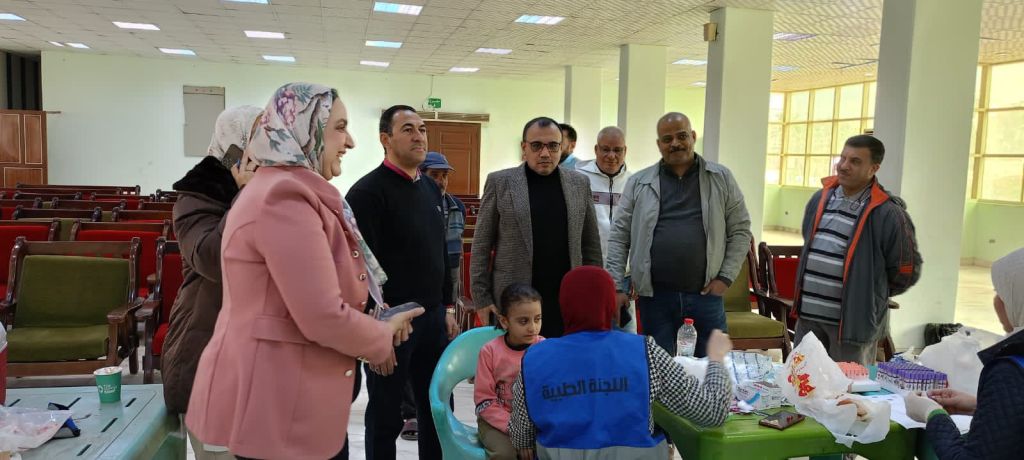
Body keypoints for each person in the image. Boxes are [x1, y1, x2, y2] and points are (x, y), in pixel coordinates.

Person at [185, 83, 422, 460]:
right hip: (277, 402)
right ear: (305, 131)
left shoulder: (295, 191)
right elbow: (320, 315)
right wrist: (380, 334)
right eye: (340, 128)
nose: (350, 142)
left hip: (291, 395)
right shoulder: (284, 197)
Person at [508, 266, 733, 459]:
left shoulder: (534, 358)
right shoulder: (645, 351)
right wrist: (716, 360)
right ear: (610, 305)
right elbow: (712, 412)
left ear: (562, 305)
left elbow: (520, 437)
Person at [347, 105, 459, 460]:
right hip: (392, 324)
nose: (418, 136)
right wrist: (376, 330)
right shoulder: (367, 193)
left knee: (436, 409)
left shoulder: (430, 189)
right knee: (385, 414)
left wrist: (448, 307)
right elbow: (360, 268)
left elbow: (440, 251)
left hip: (433, 317)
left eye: (422, 129)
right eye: (408, 129)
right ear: (386, 139)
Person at [605, 112, 751, 357]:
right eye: (667, 139)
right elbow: (620, 235)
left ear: (693, 136)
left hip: (706, 296)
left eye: (682, 136)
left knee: (713, 366)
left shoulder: (720, 178)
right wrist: (617, 286)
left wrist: (725, 278)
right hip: (655, 298)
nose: (675, 143)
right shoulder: (639, 182)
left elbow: (740, 230)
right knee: (658, 369)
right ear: (659, 144)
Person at [161, 105, 261, 459]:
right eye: (258, 135)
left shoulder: (269, 193)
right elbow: (213, 259)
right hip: (207, 351)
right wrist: (246, 197)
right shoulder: (196, 196)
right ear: (235, 144)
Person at [791, 134, 922, 365]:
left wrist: (870, 293)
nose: (843, 166)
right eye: (842, 158)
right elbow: (809, 242)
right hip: (809, 320)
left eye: (855, 161)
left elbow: (906, 270)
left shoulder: (887, 213)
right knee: (802, 381)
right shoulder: (820, 199)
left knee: (849, 385)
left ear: (874, 168)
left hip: (852, 325)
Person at [470, 116, 603, 338]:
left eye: (553, 146)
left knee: (562, 357)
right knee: (516, 359)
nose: (545, 153)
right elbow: (481, 245)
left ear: (562, 147)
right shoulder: (500, 182)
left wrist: (594, 294)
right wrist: (482, 298)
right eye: (536, 146)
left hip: (566, 297)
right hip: (514, 299)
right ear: (524, 148)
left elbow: (591, 246)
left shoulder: (579, 184)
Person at [904, 248, 1024, 460]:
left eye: (1001, 292)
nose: (996, 301)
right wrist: (981, 406)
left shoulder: (1010, 370)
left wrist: (932, 414)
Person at [575, 126, 635, 331]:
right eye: (605, 149)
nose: (611, 156)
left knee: (624, 336)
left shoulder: (635, 183)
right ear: (596, 149)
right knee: (588, 334)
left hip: (623, 276)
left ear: (625, 151)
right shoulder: (578, 178)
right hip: (588, 273)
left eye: (617, 150)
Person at [475, 284, 544, 460]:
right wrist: (516, 430)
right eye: (524, 321)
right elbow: (484, 401)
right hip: (495, 423)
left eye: (537, 319)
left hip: (535, 423)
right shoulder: (489, 352)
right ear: (504, 321)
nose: (533, 328)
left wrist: (527, 432)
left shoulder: (544, 348)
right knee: (505, 454)